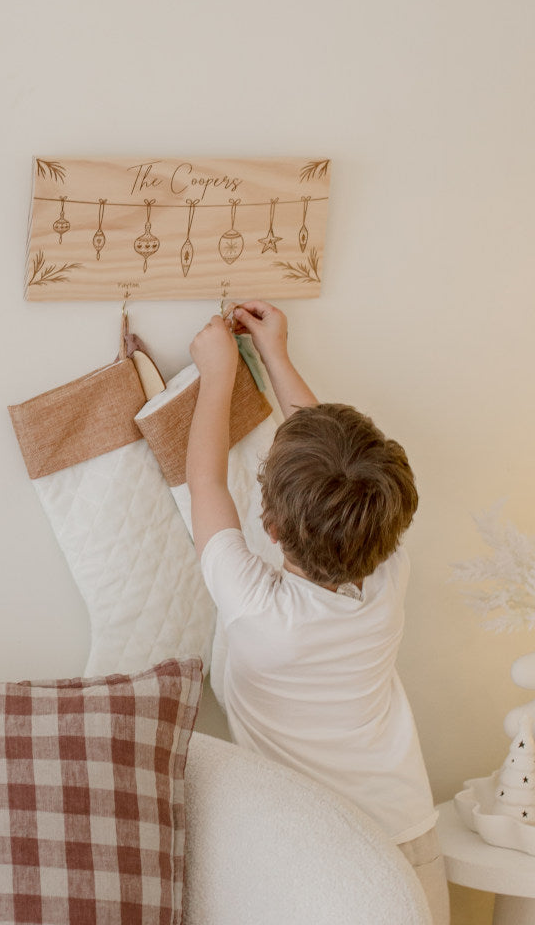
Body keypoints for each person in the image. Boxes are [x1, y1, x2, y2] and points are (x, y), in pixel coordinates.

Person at [186, 299, 449, 925]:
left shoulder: (257, 610)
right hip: (408, 826)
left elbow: (205, 483)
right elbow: (331, 458)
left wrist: (218, 375)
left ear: (269, 529)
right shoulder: (388, 573)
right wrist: (276, 354)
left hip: (323, 845)